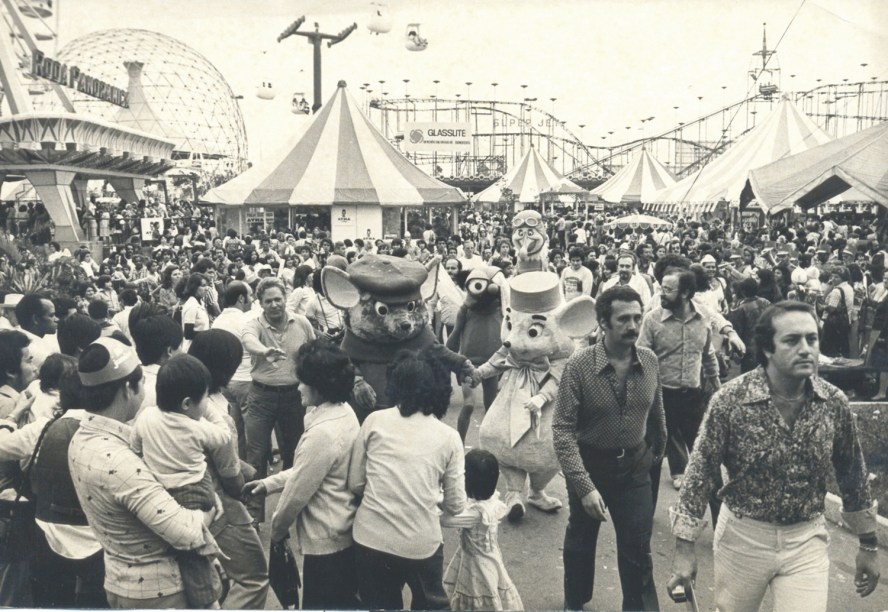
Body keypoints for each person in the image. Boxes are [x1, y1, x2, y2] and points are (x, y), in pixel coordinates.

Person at [667, 301, 880, 611]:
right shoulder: (730, 400)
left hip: (806, 540)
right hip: (743, 539)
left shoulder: (833, 402)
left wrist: (868, 544)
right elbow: (700, 471)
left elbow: (852, 472)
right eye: (792, 340)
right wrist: (684, 547)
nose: (806, 349)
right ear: (767, 349)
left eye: (812, 338)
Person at [68, 337, 216, 609]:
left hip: (119, 580)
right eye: (142, 382)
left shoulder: (80, 437)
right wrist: (212, 508)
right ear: (127, 388)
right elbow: (187, 533)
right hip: (159, 592)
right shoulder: (118, 462)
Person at [553, 286, 665, 611]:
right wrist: (584, 487)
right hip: (590, 466)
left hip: (635, 469)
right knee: (581, 541)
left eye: (637, 318)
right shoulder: (579, 366)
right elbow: (562, 430)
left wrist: (652, 458)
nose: (632, 326)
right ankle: (575, 601)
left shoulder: (649, 360)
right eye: (623, 319)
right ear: (603, 322)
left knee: (637, 549)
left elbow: (657, 417)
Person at [242, 339, 361, 610]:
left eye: (303, 382)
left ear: (319, 386)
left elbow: (296, 494)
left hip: (326, 540)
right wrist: (269, 483)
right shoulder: (344, 413)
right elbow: (311, 471)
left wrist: (277, 529)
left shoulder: (322, 433)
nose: (298, 387)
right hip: (342, 531)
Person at [348, 347, 467, 610]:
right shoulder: (448, 437)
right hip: (420, 544)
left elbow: (355, 483)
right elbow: (456, 505)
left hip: (370, 539)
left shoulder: (374, 421)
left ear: (394, 384)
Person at [130, 354, 231, 608]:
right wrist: (209, 410)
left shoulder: (146, 417)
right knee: (194, 553)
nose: (206, 402)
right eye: (205, 396)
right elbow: (224, 436)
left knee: (181, 549)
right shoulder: (194, 427)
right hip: (196, 491)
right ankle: (207, 600)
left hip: (162, 493)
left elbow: (135, 447)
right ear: (187, 403)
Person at [187, 329, 270, 609]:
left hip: (191, 496)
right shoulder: (218, 413)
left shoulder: (184, 397)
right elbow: (230, 476)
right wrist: (246, 483)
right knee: (254, 578)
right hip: (219, 501)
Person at [637, 269, 720, 515]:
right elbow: (640, 358)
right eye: (661, 287)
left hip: (693, 400)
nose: (662, 293)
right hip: (660, 400)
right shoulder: (652, 320)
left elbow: (708, 354)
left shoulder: (704, 317)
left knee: (707, 459)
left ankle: (721, 523)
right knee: (651, 460)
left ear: (685, 293)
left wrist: (716, 385)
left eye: (668, 289)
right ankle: (644, 518)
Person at [240, 277, 316, 525]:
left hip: (296, 398)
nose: (274, 305)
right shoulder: (254, 325)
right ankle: (254, 513)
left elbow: (313, 351)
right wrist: (263, 351)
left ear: (286, 298)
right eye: (268, 301)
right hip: (261, 396)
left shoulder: (302, 323)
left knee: (296, 453)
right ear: (260, 303)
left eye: (278, 299)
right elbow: (248, 341)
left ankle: (290, 507)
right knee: (257, 455)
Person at [442, 449, 523, 611]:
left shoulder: (476, 514)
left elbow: (445, 520)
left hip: (476, 563)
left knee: (476, 592)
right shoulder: (491, 501)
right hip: (489, 557)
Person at [210, 281, 255, 458]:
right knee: (252, 431)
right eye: (250, 295)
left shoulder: (217, 321)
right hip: (246, 380)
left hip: (226, 382)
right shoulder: (247, 320)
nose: (252, 299)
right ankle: (255, 470)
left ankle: (241, 464)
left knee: (235, 430)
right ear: (241, 298)